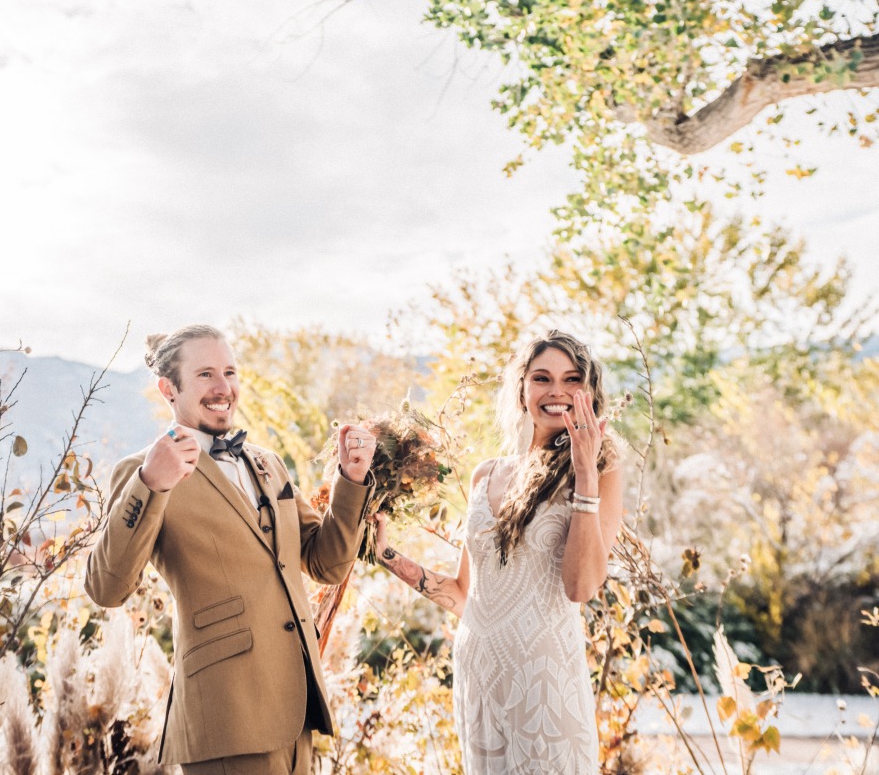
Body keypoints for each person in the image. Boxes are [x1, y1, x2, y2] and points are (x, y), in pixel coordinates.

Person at [85, 324, 376, 774]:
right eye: (205, 374)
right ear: (169, 389)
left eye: (230, 372)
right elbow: (106, 589)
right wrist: (150, 484)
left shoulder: (266, 462)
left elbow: (326, 563)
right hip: (225, 717)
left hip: (297, 707)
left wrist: (351, 479)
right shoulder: (141, 471)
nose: (223, 388)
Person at [375, 329, 622, 774]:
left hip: (544, 683)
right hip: (479, 675)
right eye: (542, 378)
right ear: (522, 388)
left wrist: (584, 472)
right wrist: (388, 555)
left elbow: (581, 586)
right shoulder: (485, 475)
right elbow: (464, 596)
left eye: (571, 380)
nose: (557, 392)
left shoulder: (603, 467)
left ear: (588, 392)